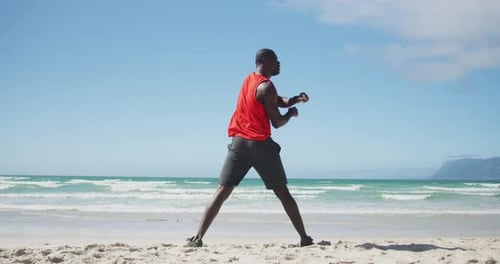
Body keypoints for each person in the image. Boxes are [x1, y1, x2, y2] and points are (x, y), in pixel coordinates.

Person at [186, 48, 313, 247]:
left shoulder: (250, 80)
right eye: (275, 60)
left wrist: (296, 99)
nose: (279, 63)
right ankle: (304, 238)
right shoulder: (267, 87)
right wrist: (292, 114)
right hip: (260, 146)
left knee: (222, 191)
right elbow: (278, 122)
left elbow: (277, 101)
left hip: (239, 145)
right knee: (283, 193)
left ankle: (197, 237)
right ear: (263, 60)